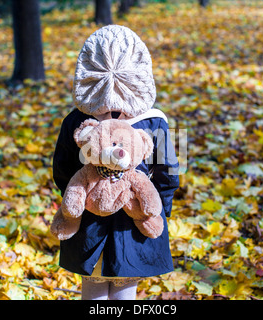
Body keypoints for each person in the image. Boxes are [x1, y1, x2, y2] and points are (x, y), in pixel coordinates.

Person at [52, 25, 179, 300]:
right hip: (134, 224)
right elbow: (167, 173)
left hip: (89, 222)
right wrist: (159, 210)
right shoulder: (155, 122)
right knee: (125, 290)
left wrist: (77, 198)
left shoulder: (76, 121)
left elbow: (62, 169)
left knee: (93, 290)